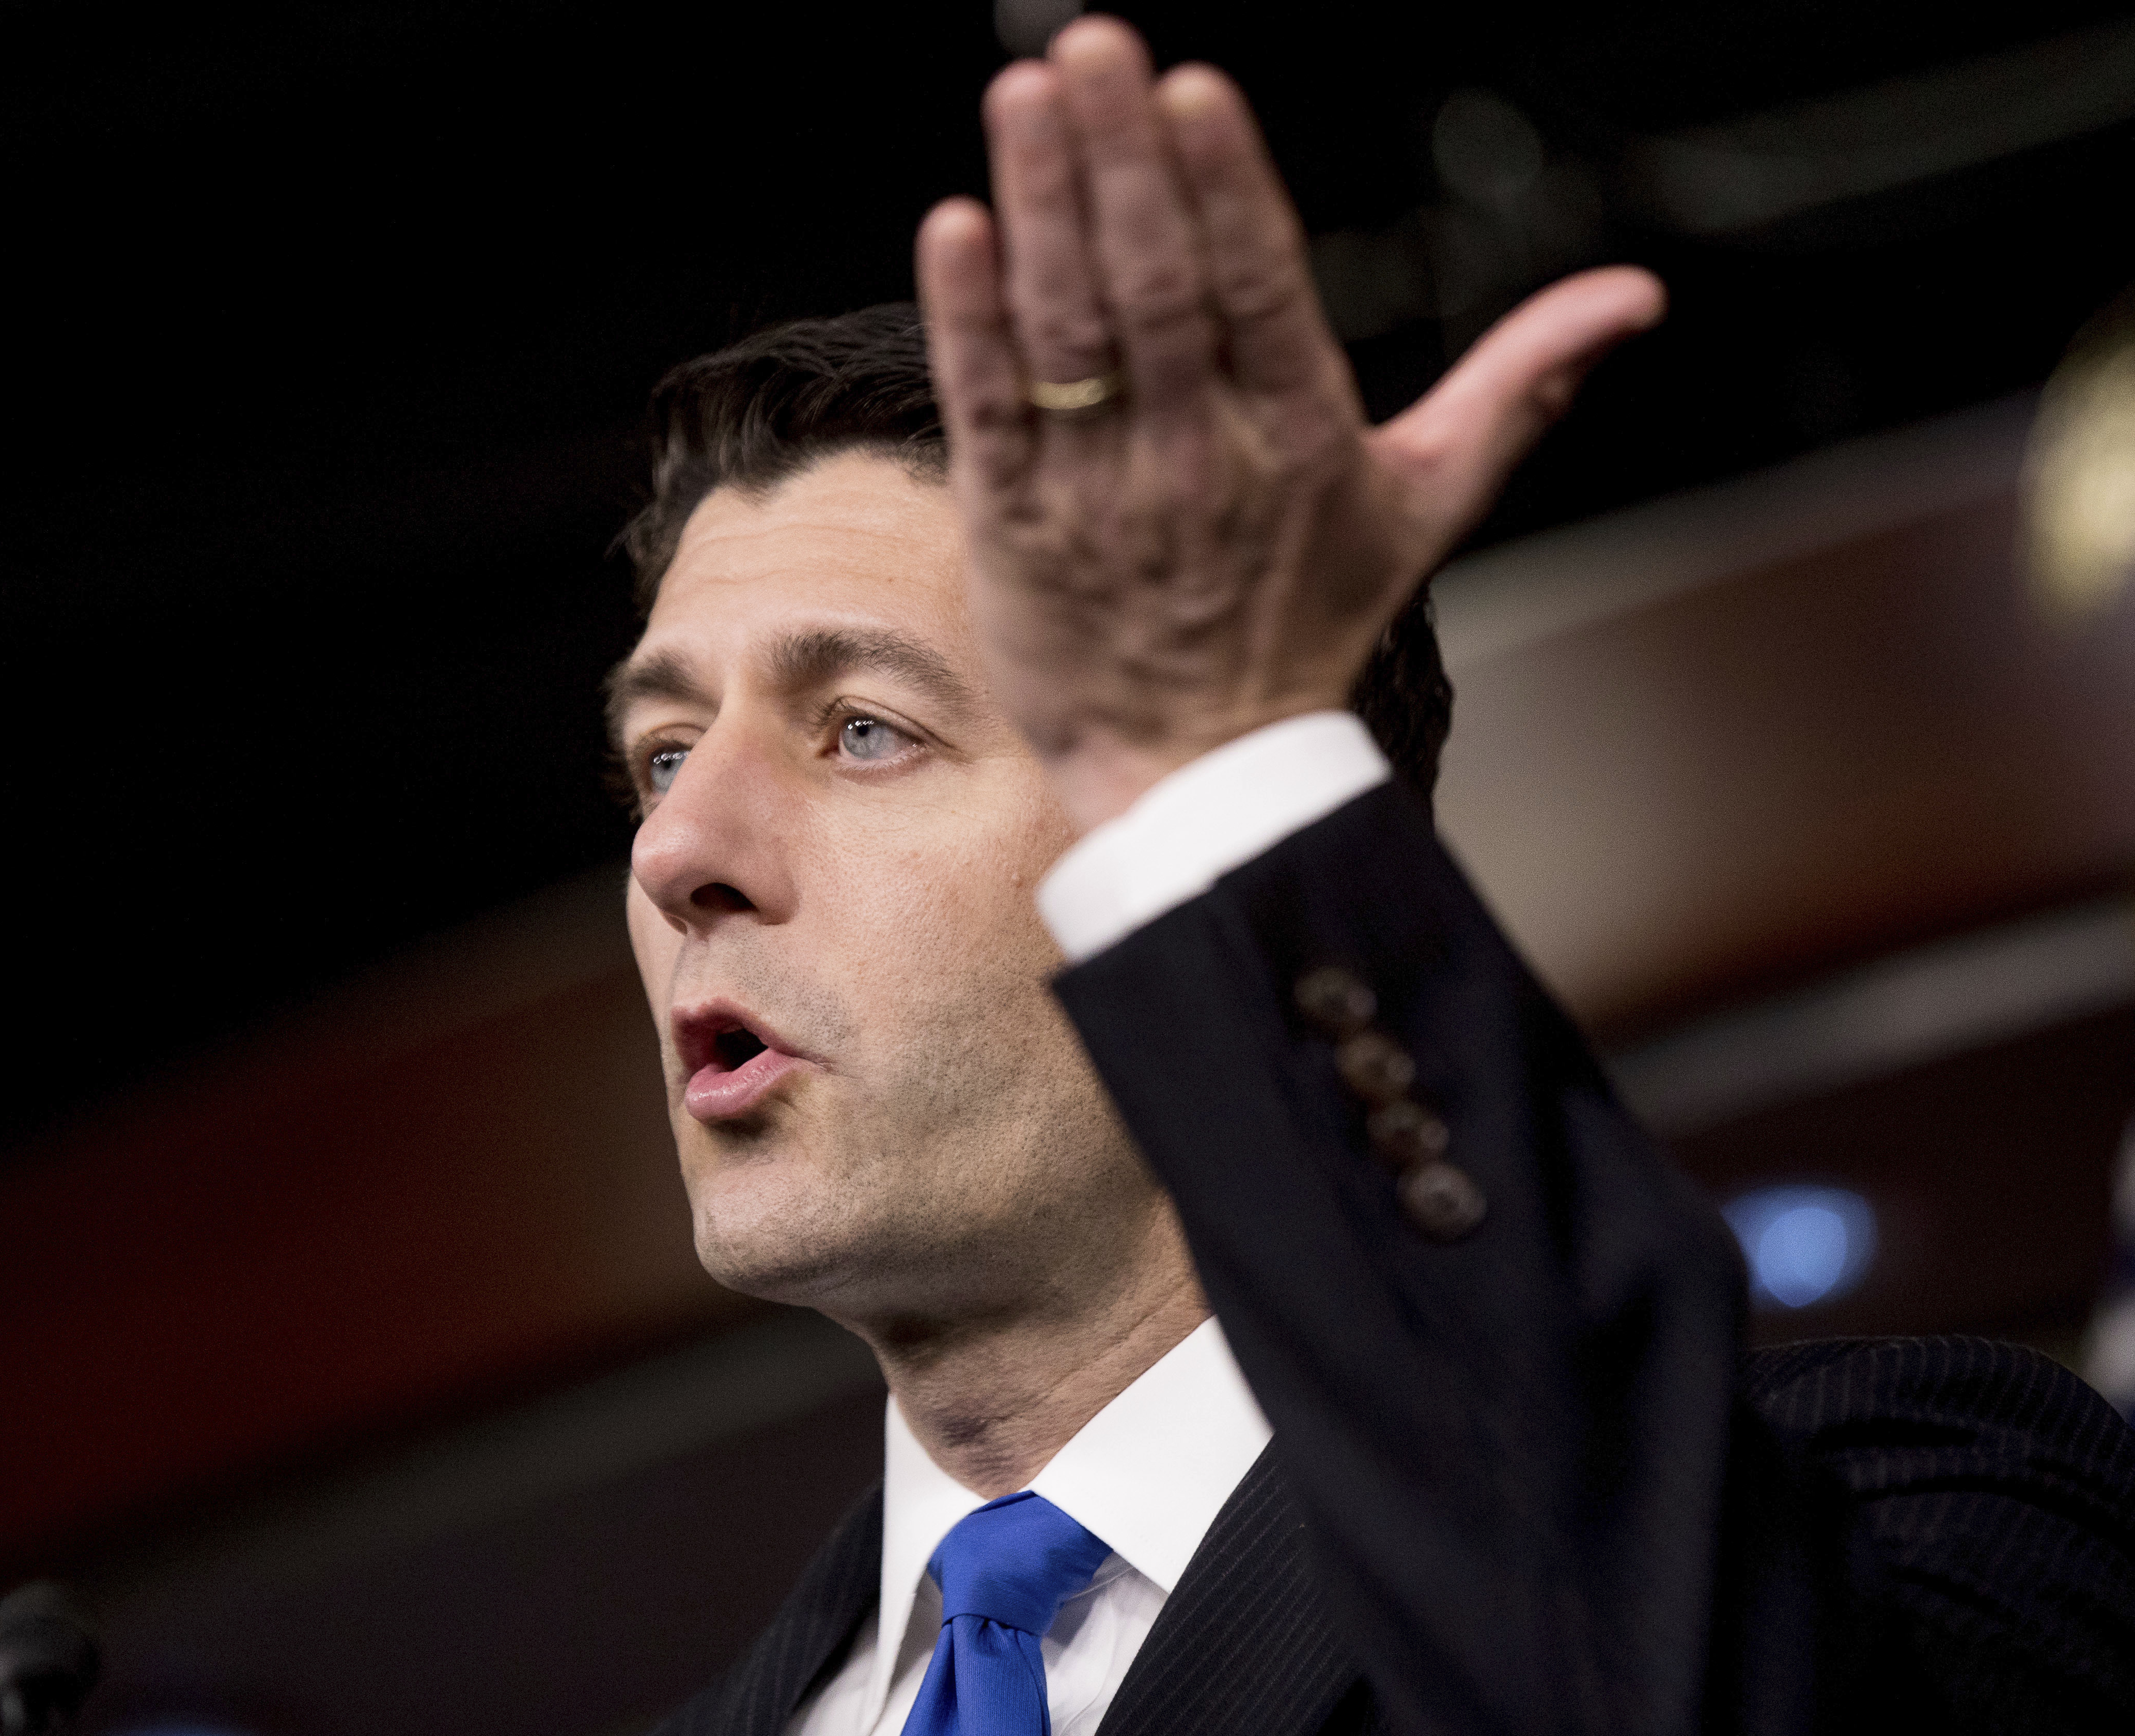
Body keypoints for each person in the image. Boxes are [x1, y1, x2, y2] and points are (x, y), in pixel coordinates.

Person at [605, 17, 2135, 1736]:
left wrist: (1241, 780)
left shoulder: (1885, 1511)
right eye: (662, 756)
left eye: (865, 730)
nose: (678, 853)